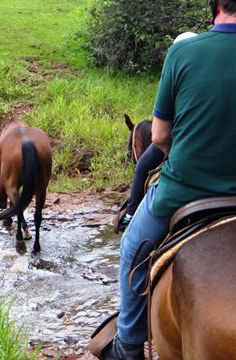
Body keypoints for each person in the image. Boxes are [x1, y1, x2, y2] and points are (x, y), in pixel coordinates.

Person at [103, 0, 236, 358]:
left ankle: (128, 345)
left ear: (217, 5)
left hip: (185, 193)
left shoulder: (184, 52)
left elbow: (160, 135)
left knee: (133, 243)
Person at [117, 32, 196, 231]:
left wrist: (171, 152)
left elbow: (160, 133)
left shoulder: (175, 72)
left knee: (142, 167)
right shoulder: (208, 71)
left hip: (178, 141)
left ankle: (130, 214)